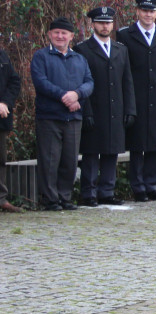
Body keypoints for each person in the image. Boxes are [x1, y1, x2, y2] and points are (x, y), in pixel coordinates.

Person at [119, 0, 156, 202]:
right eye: (144, 10)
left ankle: (151, 184)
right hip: (137, 97)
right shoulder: (125, 35)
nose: (148, 14)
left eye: (152, 11)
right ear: (137, 11)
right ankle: (138, 187)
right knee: (137, 145)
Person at [31, 17, 94, 211]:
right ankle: (50, 199)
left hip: (74, 117)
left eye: (64, 33)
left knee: (69, 159)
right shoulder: (41, 57)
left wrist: (77, 95)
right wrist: (63, 97)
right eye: (56, 33)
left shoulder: (79, 59)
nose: (60, 36)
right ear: (49, 35)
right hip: (49, 117)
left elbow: (89, 82)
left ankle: (65, 197)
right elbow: (40, 82)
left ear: (71, 36)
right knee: (50, 160)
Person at [75, 7, 136, 207]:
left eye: (108, 22)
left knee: (111, 152)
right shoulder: (83, 49)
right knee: (91, 153)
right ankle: (89, 193)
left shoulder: (121, 49)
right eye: (100, 22)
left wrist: (130, 109)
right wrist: (86, 111)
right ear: (93, 24)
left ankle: (107, 191)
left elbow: (127, 82)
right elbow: (80, 82)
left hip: (116, 109)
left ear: (112, 24)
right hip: (94, 108)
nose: (104, 26)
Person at [0, 43, 21, 213]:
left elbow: (14, 81)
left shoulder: (2, 55)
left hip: (1, 116)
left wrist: (5, 102)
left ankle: (1, 198)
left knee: (0, 159)